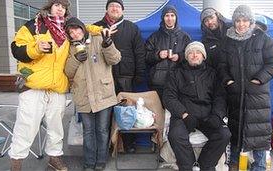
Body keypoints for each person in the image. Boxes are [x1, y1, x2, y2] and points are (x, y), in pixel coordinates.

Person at [9, 0, 72, 171]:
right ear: (49, 6)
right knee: (26, 127)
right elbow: (16, 49)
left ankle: (54, 157)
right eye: (57, 4)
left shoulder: (68, 29)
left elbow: (86, 30)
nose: (60, 8)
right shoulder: (33, 26)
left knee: (56, 128)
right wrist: (36, 48)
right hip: (33, 86)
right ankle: (16, 163)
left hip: (57, 88)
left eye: (64, 6)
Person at [218, 5, 273, 171]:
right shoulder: (227, 40)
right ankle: (235, 162)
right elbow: (221, 65)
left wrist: (259, 80)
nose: (241, 24)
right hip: (235, 94)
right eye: (237, 20)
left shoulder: (263, 38)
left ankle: (259, 165)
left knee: (258, 131)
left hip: (257, 95)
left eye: (244, 20)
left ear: (251, 21)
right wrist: (228, 81)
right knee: (236, 129)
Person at [163, 41, 231, 171]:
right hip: (184, 115)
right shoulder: (176, 73)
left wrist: (216, 115)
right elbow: (169, 97)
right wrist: (184, 114)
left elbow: (220, 97)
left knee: (224, 134)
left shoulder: (213, 74)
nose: (194, 55)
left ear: (203, 56)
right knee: (175, 135)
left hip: (208, 115)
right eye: (191, 53)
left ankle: (205, 165)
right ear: (186, 56)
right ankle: (188, 166)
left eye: (198, 52)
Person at [64, 17, 121, 171]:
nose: (75, 34)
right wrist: (75, 59)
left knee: (102, 130)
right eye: (71, 32)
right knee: (88, 131)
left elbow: (115, 59)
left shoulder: (98, 38)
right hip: (83, 95)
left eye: (76, 29)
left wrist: (108, 45)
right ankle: (89, 162)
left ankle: (101, 160)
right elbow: (67, 72)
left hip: (103, 93)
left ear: (83, 28)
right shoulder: (68, 48)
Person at [94, 0, 146, 153]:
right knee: (105, 113)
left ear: (123, 10)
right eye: (111, 6)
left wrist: (139, 73)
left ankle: (128, 144)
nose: (114, 8)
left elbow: (139, 52)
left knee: (126, 111)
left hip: (125, 76)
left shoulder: (132, 28)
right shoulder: (97, 27)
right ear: (106, 9)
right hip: (102, 77)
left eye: (118, 6)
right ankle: (107, 146)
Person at [145, 5, 191, 100]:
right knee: (157, 112)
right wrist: (158, 55)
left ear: (176, 17)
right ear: (163, 18)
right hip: (157, 83)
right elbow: (145, 56)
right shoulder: (154, 37)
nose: (169, 19)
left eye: (172, 15)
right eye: (167, 15)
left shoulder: (185, 37)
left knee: (174, 112)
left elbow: (191, 57)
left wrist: (179, 57)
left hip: (178, 83)